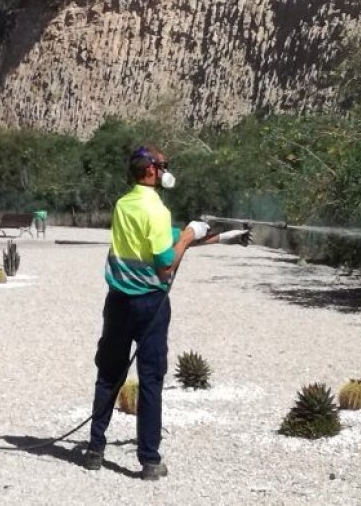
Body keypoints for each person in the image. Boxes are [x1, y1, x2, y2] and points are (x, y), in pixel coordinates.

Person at [83, 146, 250, 480]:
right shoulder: (157, 210)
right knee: (150, 379)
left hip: (117, 302)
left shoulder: (123, 204)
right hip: (149, 305)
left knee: (109, 374)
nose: (166, 172)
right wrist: (189, 233)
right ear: (150, 171)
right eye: (163, 166)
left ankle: (94, 451)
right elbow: (165, 263)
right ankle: (149, 460)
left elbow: (158, 241)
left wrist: (218, 238)